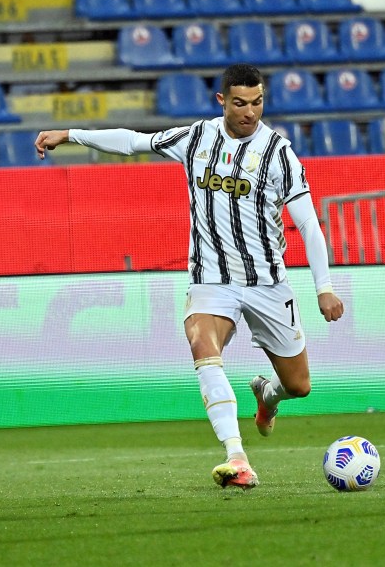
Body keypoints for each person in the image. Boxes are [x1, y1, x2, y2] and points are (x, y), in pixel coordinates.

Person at [35, 63, 344, 489]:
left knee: (299, 385)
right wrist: (70, 135)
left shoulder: (279, 153)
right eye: (239, 103)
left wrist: (323, 288)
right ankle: (237, 457)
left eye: (257, 103)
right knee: (203, 345)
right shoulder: (198, 137)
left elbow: (308, 224)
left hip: (267, 285)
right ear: (222, 101)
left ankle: (267, 396)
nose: (249, 113)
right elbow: (132, 142)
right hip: (211, 280)